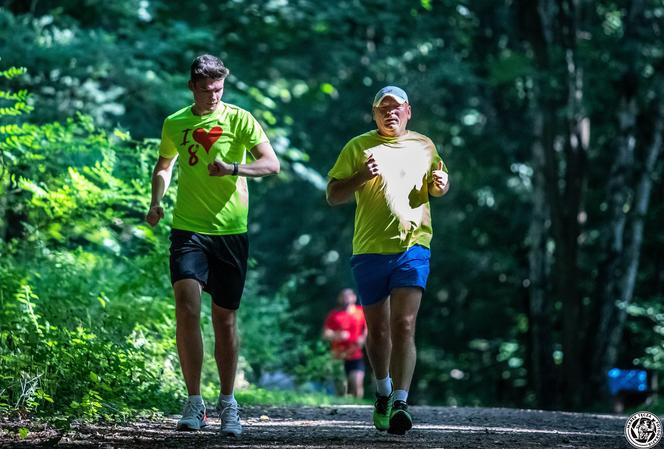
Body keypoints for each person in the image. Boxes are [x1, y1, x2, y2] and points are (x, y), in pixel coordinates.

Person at [145, 54, 280, 436]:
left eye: (218, 89)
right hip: (187, 229)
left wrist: (234, 168)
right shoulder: (176, 122)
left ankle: (227, 402)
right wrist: (155, 202)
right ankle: (193, 401)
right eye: (206, 91)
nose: (213, 97)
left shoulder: (240, 119)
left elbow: (272, 165)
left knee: (224, 319)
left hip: (231, 232)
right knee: (187, 306)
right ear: (192, 87)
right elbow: (164, 166)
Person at [326, 86, 450, 435]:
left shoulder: (425, 145)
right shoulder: (357, 147)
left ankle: (400, 400)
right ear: (374, 113)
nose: (390, 113)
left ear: (408, 110)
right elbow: (333, 195)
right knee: (378, 329)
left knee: (404, 325)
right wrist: (360, 176)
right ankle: (382, 390)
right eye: (383, 108)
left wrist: (442, 184)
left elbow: (438, 184)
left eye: (396, 107)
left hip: (414, 246)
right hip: (369, 250)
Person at [322, 288, 367, 398]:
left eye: (348, 296)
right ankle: (344, 409)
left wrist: (363, 338)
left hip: (355, 354)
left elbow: (368, 328)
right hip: (339, 355)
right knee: (342, 389)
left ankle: (359, 408)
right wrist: (337, 335)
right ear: (339, 299)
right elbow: (325, 334)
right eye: (343, 296)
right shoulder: (334, 315)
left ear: (354, 298)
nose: (346, 298)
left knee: (356, 383)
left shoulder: (361, 312)